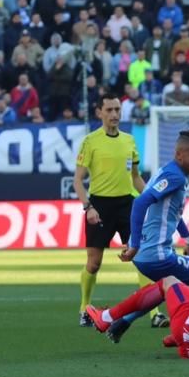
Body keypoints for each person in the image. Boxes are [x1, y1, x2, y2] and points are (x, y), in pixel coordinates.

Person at [109, 129, 189, 342]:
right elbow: (140, 203)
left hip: (146, 255)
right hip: (155, 254)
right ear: (179, 155)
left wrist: (187, 239)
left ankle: (123, 322)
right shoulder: (175, 177)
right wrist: (135, 245)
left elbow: (172, 213)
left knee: (170, 287)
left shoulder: (167, 171)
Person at [72, 93, 160, 328]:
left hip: (127, 205)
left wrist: (151, 197)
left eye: (117, 110)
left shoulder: (130, 141)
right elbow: (78, 180)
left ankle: (155, 313)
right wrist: (88, 207)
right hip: (99, 206)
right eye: (109, 110)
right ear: (99, 113)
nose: (114, 114)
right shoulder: (90, 141)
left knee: (141, 257)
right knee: (94, 262)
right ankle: (84, 308)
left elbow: (135, 177)